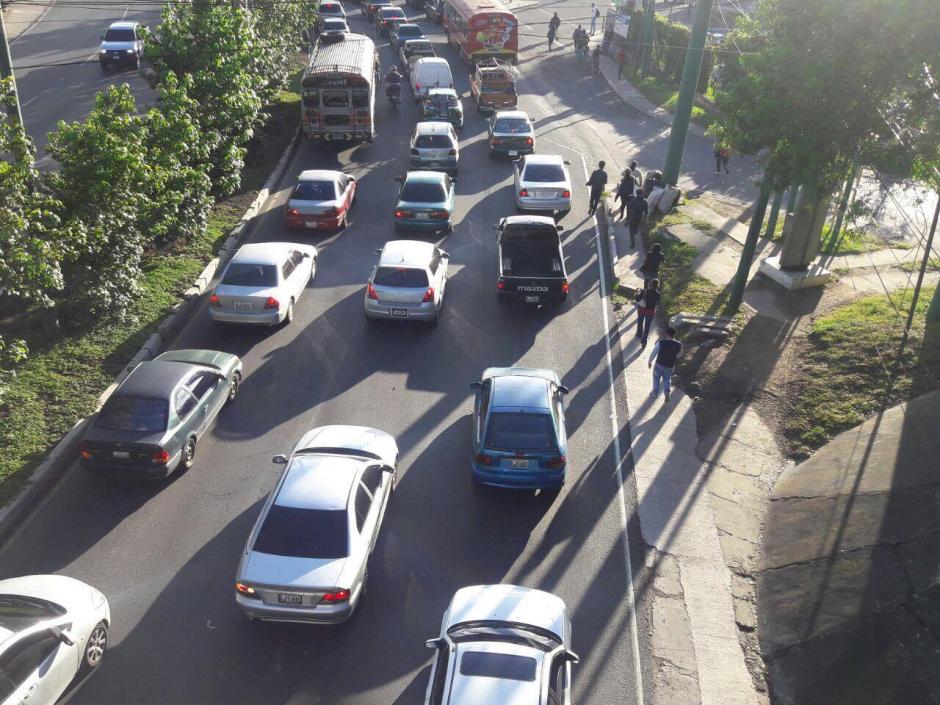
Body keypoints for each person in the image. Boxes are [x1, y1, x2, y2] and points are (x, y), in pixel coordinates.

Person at [648, 326, 683, 402]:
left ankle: (655, 393)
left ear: (666, 334)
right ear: (675, 334)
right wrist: (674, 357)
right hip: (670, 366)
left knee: (656, 379)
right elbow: (680, 354)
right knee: (667, 379)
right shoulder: (679, 344)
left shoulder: (661, 343)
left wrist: (649, 361)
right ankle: (666, 391)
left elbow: (654, 352)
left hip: (659, 365)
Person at [634, 278, 660, 347]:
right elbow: (657, 303)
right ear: (657, 286)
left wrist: (637, 293)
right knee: (647, 327)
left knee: (640, 322)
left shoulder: (645, 291)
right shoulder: (658, 294)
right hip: (650, 312)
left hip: (642, 310)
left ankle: (639, 334)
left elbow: (637, 299)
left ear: (650, 284)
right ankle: (644, 341)